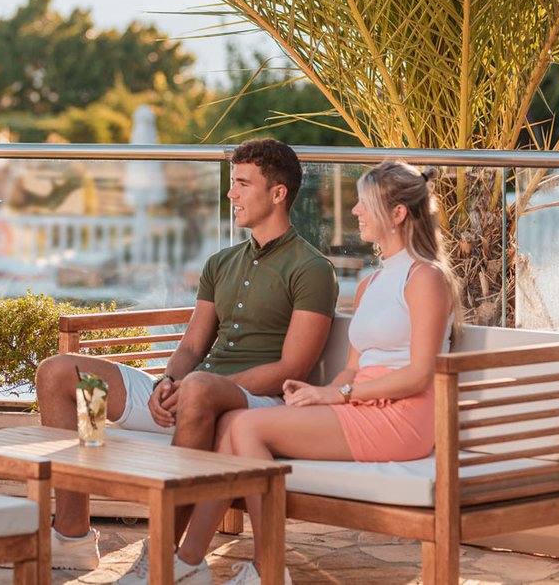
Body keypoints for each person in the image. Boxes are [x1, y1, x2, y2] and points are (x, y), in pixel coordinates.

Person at [35, 138, 339, 571]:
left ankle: (160, 553)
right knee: (62, 374)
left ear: (278, 193)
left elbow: (293, 369)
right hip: (189, 397)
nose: (231, 193)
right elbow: (193, 346)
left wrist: (202, 387)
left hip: (253, 404)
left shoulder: (312, 269)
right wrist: (166, 383)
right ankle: (72, 535)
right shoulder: (221, 263)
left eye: (241, 183)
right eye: (231, 182)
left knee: (198, 388)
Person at [170, 160, 461, 585]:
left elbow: (420, 374)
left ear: (397, 214)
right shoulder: (372, 283)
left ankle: (269, 569)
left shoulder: (426, 279)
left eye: (365, 204)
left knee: (247, 429)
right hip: (363, 405)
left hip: (404, 416)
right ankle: (188, 561)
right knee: (232, 423)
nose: (356, 211)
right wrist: (317, 392)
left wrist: (337, 397)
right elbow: (351, 369)